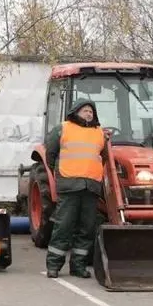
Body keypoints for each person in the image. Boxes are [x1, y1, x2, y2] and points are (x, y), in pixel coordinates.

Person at [43, 99, 106, 278]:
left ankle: (78, 266)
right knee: (63, 226)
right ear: (76, 111)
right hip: (70, 185)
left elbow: (103, 157)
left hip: (91, 187)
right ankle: (54, 265)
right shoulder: (63, 128)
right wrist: (61, 172)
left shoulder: (99, 132)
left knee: (86, 228)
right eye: (85, 110)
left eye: (91, 111)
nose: (89, 114)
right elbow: (51, 155)